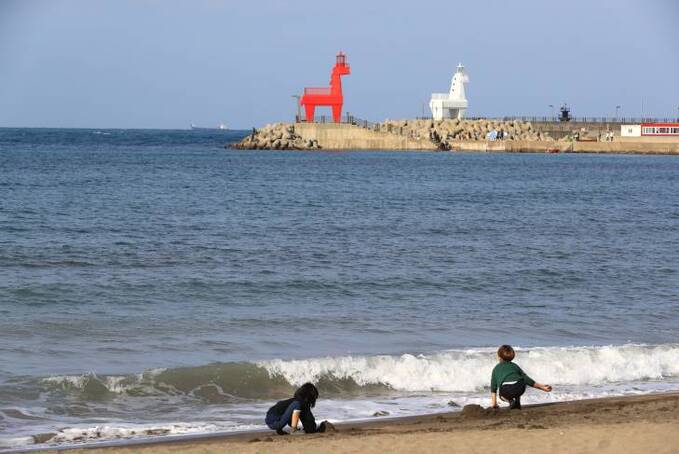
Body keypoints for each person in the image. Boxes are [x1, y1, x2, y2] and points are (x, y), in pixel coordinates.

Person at [490, 345, 552, 410]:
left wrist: (494, 403)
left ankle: (510, 401)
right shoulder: (515, 366)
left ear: (499, 357)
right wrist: (542, 387)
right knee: (519, 381)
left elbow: (493, 387)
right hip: (520, 388)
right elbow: (526, 379)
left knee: (501, 395)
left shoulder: (496, 369)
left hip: (506, 390)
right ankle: (517, 402)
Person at [265, 383, 332, 435]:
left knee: (297, 406)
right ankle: (293, 430)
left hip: (273, 418)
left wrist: (310, 428)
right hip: (274, 420)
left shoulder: (299, 402)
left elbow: (308, 422)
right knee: (297, 404)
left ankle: (282, 429)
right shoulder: (298, 403)